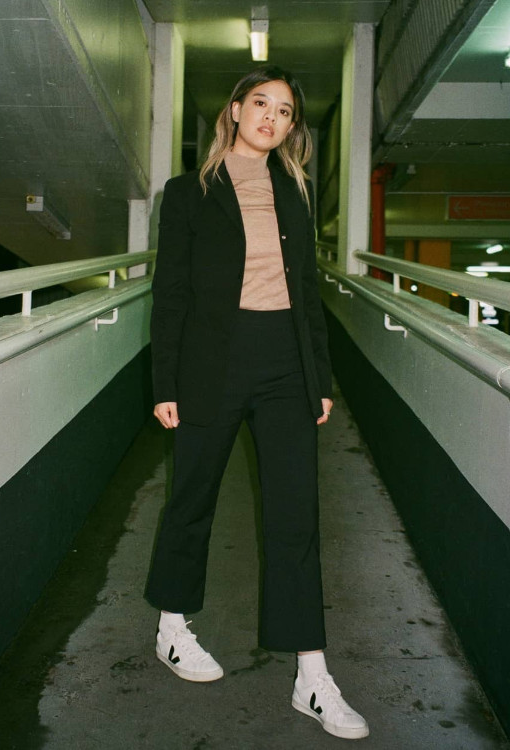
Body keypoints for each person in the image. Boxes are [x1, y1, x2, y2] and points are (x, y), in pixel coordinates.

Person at [144, 65, 369, 741]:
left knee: (296, 514)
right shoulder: (188, 192)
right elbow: (170, 293)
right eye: (262, 103)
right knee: (193, 495)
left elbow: (307, 291)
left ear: (291, 126)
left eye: (286, 110)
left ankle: (312, 675)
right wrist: (165, 383)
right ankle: (173, 626)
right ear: (236, 110)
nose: (273, 116)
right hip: (212, 361)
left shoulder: (293, 192)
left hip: (284, 365)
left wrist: (319, 377)